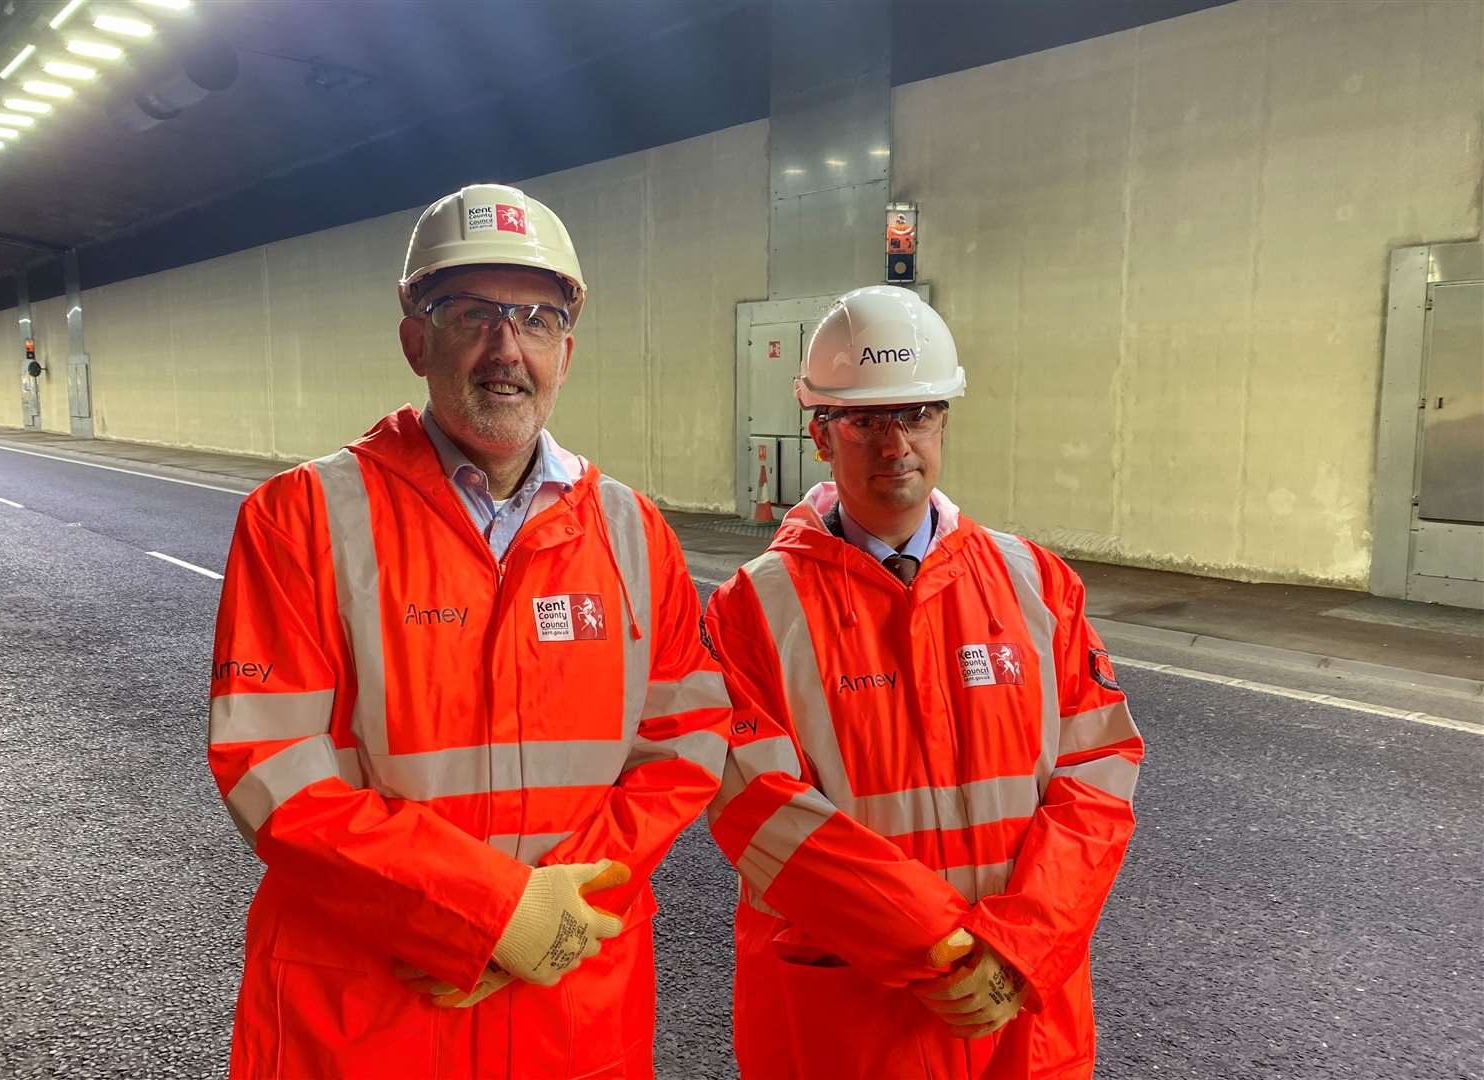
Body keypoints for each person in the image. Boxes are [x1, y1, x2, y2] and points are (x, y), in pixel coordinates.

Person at [206, 183, 730, 1079]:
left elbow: (685, 743)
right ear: (415, 335)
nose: (506, 350)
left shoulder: (634, 533)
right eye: (471, 314)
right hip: (369, 1016)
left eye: (534, 315)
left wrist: (556, 911)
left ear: (569, 341)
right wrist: (484, 913)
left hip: (571, 1008)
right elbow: (270, 768)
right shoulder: (302, 519)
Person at [704, 285, 1143, 1078]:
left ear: (944, 420)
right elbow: (761, 812)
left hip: (1021, 1010)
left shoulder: (1034, 583)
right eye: (866, 420)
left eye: (918, 415)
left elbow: (1099, 776)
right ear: (820, 434)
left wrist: (1020, 944)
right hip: (856, 1021)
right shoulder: (753, 610)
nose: (895, 444)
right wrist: (939, 949)